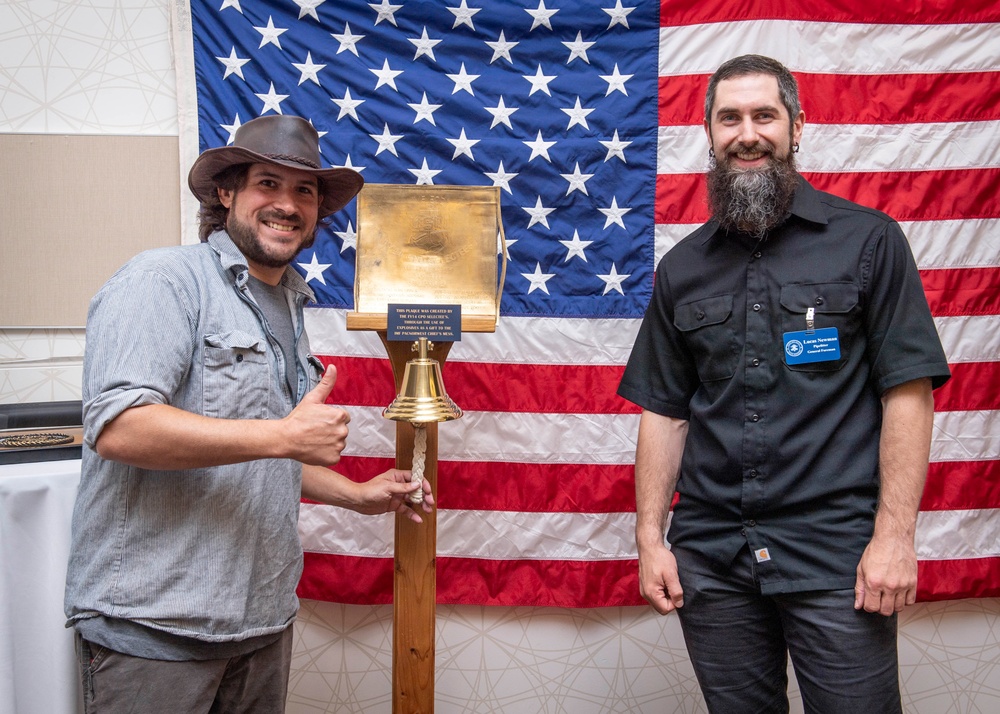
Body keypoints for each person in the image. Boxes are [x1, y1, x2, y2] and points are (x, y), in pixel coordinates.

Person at [64, 114, 433, 713]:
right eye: (268, 183)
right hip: (158, 627)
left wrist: (353, 494)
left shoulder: (289, 305)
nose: (287, 204)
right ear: (227, 192)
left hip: (261, 622)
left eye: (304, 191)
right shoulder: (164, 279)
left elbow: (257, 451)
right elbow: (119, 427)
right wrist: (285, 433)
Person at [617, 55, 951, 713]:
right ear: (709, 135)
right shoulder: (682, 268)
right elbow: (665, 411)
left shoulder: (870, 242)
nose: (748, 133)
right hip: (711, 561)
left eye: (765, 115)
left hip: (836, 555)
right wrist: (649, 539)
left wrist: (896, 536)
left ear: (796, 127)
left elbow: (907, 391)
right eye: (729, 118)